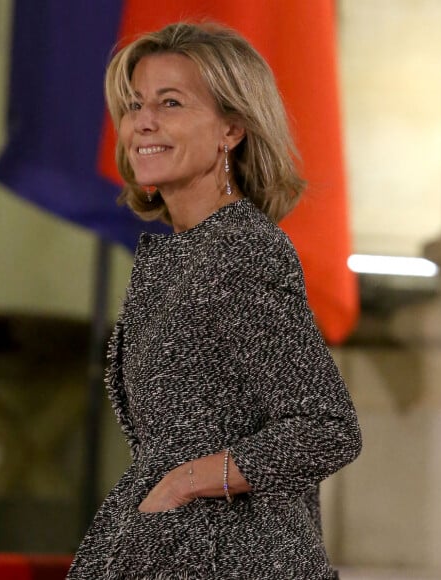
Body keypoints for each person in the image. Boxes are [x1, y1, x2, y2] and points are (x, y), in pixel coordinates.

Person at [67, 22, 362, 580]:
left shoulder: (242, 252)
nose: (142, 122)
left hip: (234, 558)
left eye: (170, 103)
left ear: (231, 129)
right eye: (134, 105)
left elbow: (325, 427)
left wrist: (183, 482)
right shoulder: (182, 255)